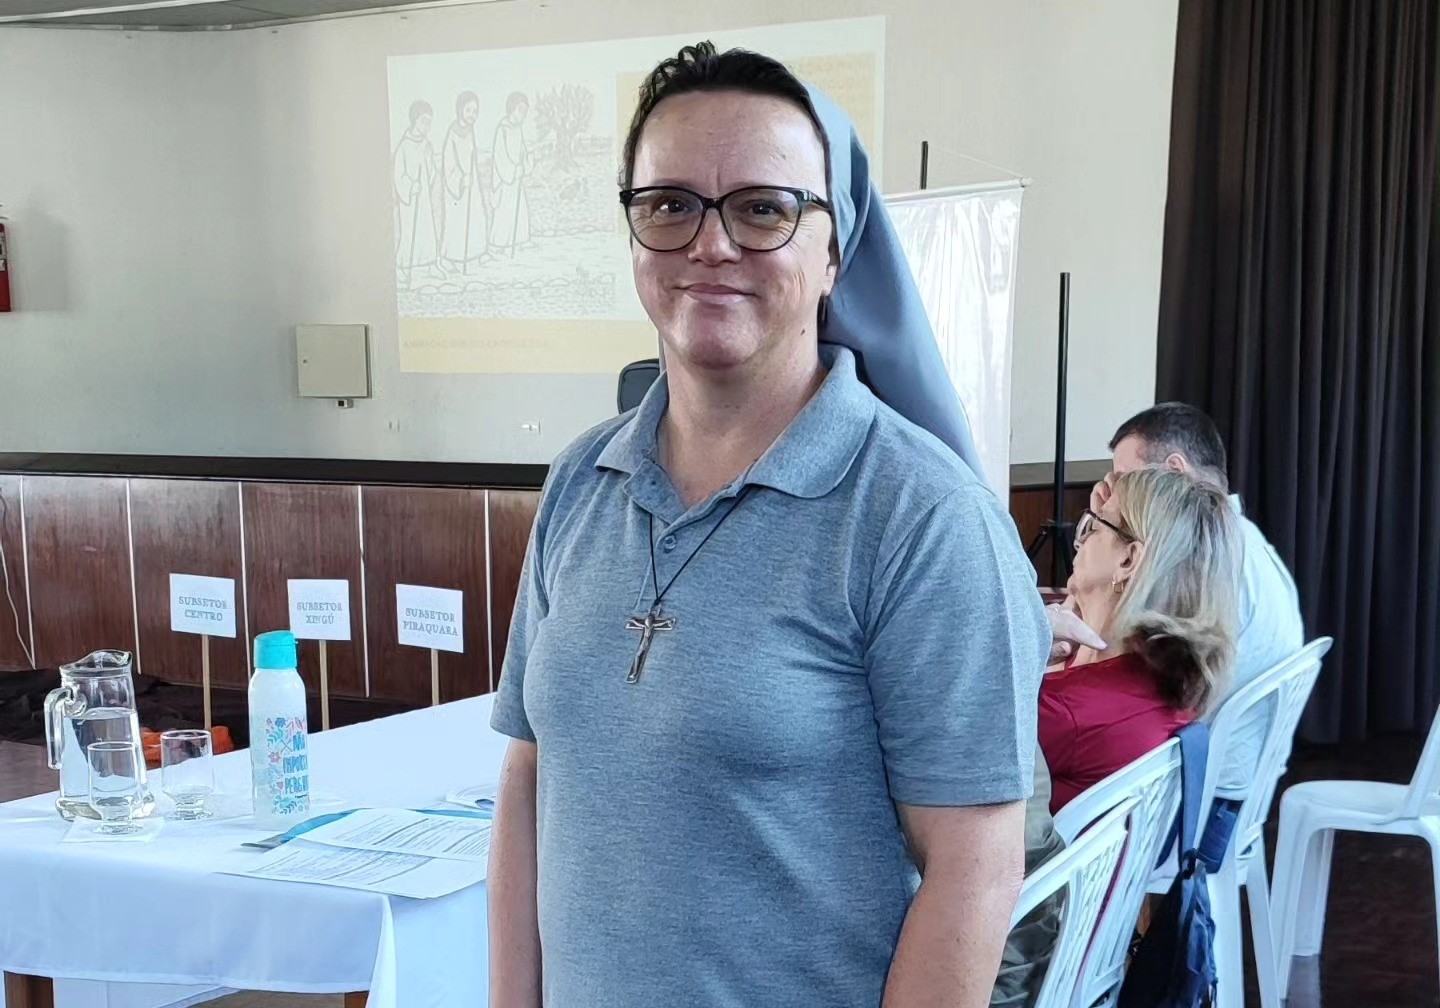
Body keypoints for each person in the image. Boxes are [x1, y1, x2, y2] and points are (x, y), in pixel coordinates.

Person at [488, 42, 1049, 1008]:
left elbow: (974, 865)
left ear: (834, 251)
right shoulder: (580, 481)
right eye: (669, 205)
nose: (710, 245)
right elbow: (528, 782)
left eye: (762, 209)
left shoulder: (923, 518)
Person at [1093, 403, 1303, 860]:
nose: (1117, 497)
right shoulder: (1242, 540)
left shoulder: (1204, 561)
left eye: (1125, 479)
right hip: (1236, 792)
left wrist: (1096, 542)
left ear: (1174, 470)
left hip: (1200, 813)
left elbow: (1120, 676)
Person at [1041, 465, 1243, 813]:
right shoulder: (1167, 678)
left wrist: (1025, 646)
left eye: (1094, 525)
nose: (1080, 539)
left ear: (1128, 559)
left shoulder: (1066, 712)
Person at [393, 100, 442, 285]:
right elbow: (398, 175)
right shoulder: (404, 146)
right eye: (424, 121)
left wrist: (429, 161)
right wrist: (410, 186)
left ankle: (430, 264)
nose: (427, 126)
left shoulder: (426, 145)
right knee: (410, 233)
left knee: (427, 230)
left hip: (424, 199)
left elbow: (431, 173)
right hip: (410, 201)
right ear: (414, 121)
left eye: (429, 122)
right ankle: (402, 267)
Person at [440, 90, 489, 273]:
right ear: (460, 109)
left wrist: (472, 178)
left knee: (475, 216)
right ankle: (454, 258)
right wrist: (461, 180)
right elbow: (448, 164)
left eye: (475, 111)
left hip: (471, 184)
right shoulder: (452, 133)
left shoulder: (470, 131)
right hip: (457, 189)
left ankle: (473, 254)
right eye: (468, 110)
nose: (472, 115)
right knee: (457, 221)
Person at [489, 92, 533, 253]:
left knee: (519, 209)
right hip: (505, 181)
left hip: (516, 180)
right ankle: (500, 244)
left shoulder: (518, 129)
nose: (523, 114)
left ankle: (520, 240)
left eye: (525, 111)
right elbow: (500, 157)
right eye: (520, 109)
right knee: (505, 211)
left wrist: (527, 161)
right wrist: (514, 171)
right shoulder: (503, 129)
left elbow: (522, 151)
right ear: (512, 108)